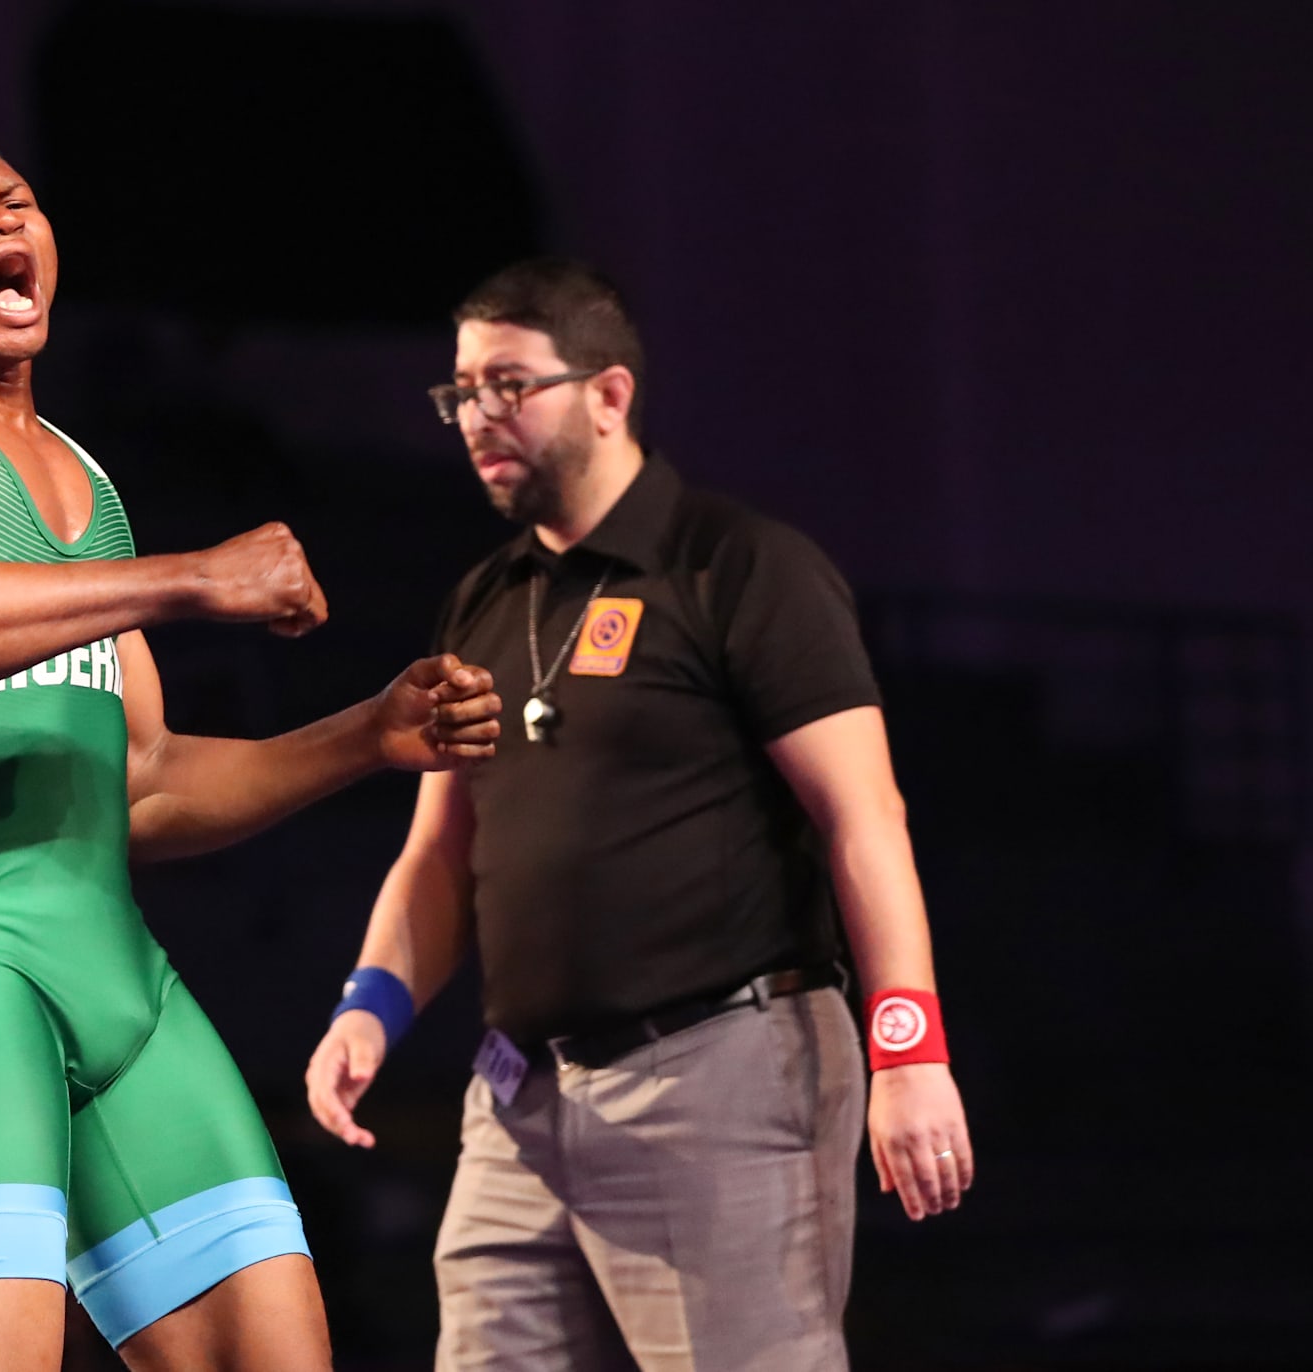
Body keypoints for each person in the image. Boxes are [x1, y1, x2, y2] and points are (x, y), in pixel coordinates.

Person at [0, 115, 504, 1371]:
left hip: (124, 982)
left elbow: (145, 782)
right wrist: (186, 582)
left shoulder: (84, 485)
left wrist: (363, 737)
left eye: (16, 199)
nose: (0, 219)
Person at [303, 258, 974, 1371]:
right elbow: (438, 852)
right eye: (461, 391)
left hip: (717, 1073)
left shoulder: (740, 567)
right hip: (519, 1094)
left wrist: (909, 1048)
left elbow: (865, 816)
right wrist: (368, 1008)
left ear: (608, 394)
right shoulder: (485, 600)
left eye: (509, 384)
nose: (478, 416)